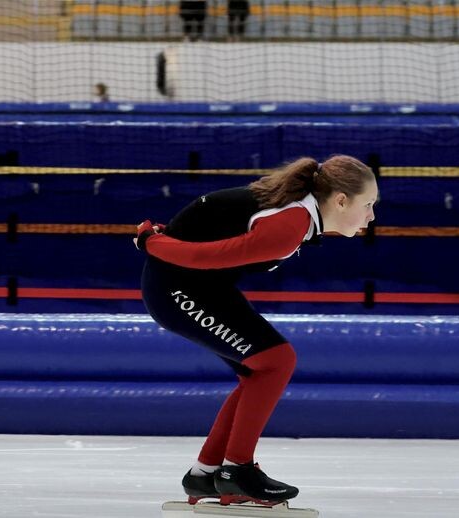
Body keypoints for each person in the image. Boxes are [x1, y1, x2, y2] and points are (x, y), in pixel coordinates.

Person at [134, 155, 377, 506]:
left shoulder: (299, 212)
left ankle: (206, 473)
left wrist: (161, 239)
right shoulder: (290, 224)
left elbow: (211, 230)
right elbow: (207, 256)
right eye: (367, 205)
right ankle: (237, 470)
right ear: (340, 200)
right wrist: (152, 242)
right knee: (276, 361)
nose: (371, 216)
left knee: (261, 369)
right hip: (175, 288)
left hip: (199, 284)